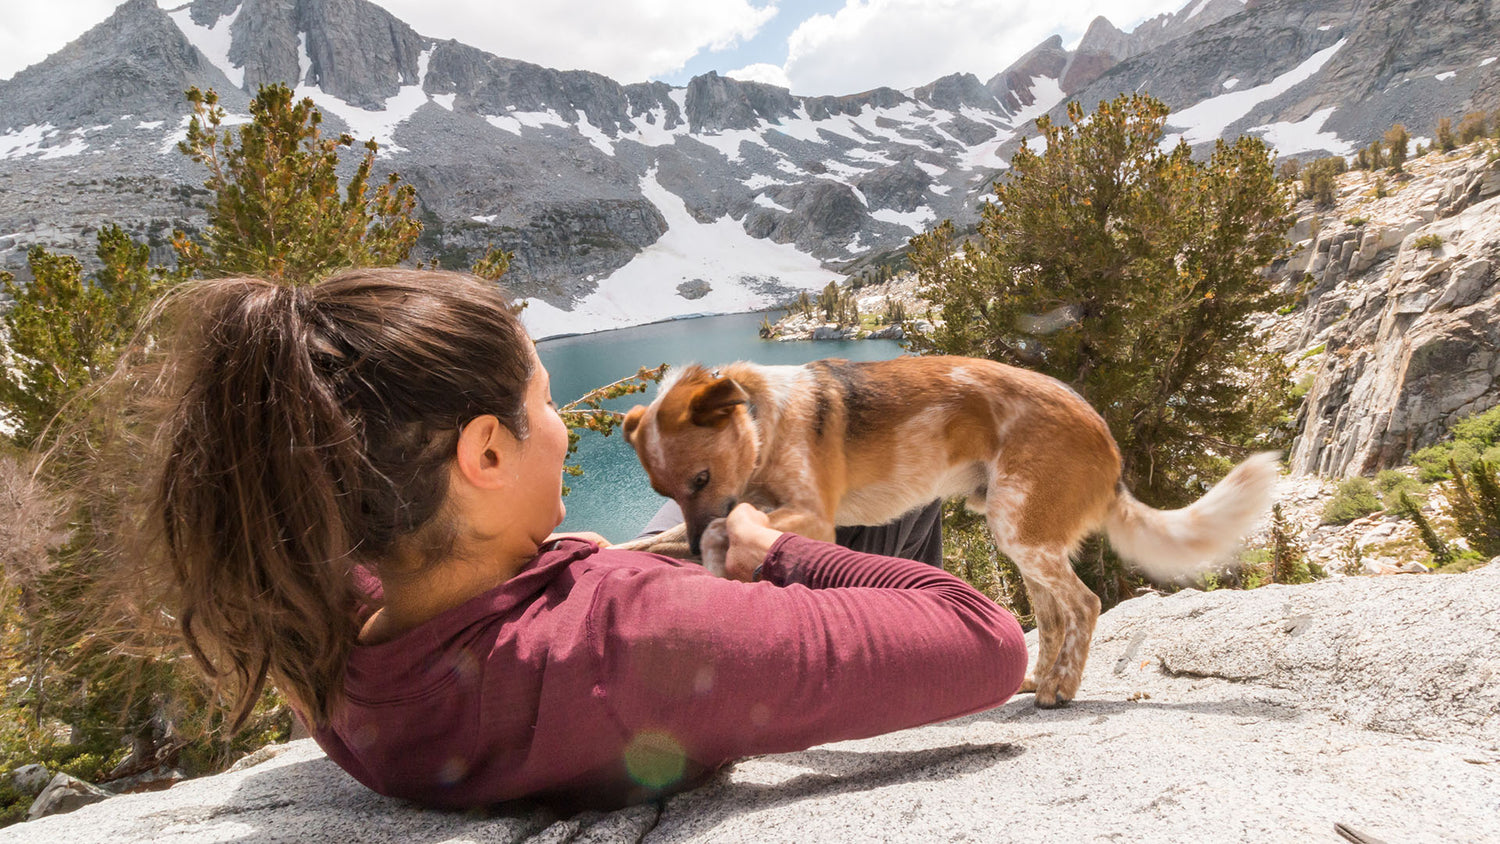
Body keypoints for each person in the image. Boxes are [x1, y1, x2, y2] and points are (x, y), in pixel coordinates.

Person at [145, 268, 1028, 812]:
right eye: (540, 405)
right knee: (876, 507)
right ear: (485, 452)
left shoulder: (329, 633)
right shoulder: (640, 639)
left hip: (577, 608)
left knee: (713, 497)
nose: (563, 425)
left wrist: (567, 562)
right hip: (670, 640)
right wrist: (779, 554)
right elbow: (983, 639)